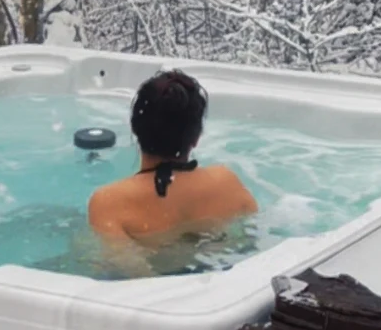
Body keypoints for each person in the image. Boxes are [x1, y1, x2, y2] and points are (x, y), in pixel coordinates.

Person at [88, 70, 256, 244]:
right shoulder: (227, 182)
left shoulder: (110, 203)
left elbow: (125, 267)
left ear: (135, 129)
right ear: (196, 138)